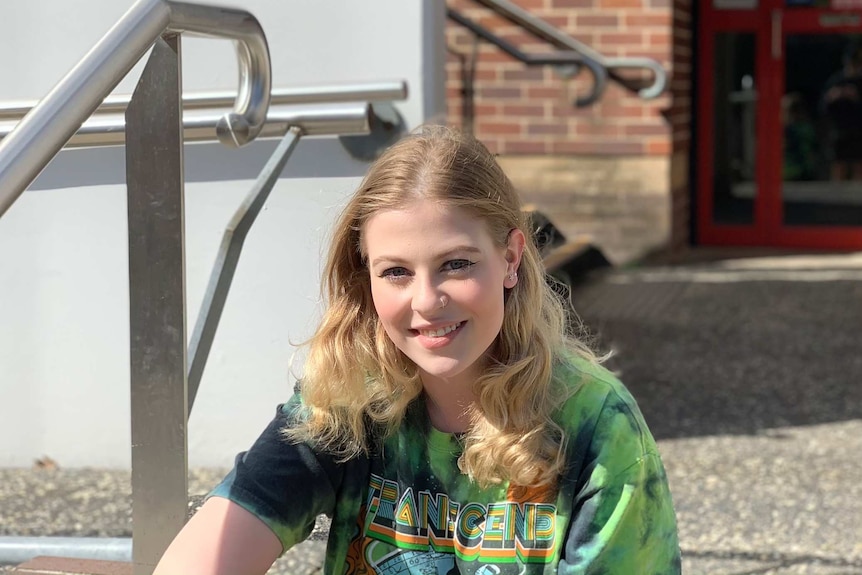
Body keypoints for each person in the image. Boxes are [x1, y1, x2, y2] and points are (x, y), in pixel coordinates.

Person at [154, 125, 681, 575]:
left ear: (511, 259)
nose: (426, 302)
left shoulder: (596, 425)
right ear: (367, 281)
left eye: (456, 264)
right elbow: (219, 540)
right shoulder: (347, 399)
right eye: (397, 272)